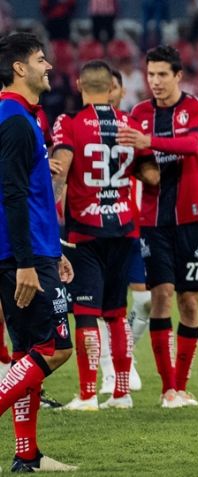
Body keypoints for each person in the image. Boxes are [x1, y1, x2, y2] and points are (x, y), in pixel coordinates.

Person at [50, 60, 159, 411]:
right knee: (115, 313)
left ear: (80, 85)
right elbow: (152, 175)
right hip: (125, 228)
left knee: (85, 311)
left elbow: (60, 171)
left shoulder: (69, 123)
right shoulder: (132, 124)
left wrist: (48, 211)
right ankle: (121, 393)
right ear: (112, 89)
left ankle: (86, 395)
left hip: (86, 230)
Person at [117, 45, 198, 408]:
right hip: (153, 221)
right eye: (150, 74)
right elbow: (132, 163)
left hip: (192, 217)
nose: (155, 81)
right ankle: (168, 389)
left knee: (190, 302)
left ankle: (183, 385)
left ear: (177, 76)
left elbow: (194, 144)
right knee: (161, 297)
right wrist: (144, 166)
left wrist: (150, 143)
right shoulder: (137, 114)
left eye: (162, 75)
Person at [0, 31, 76, 472]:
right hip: (20, 259)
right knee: (54, 347)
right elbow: (9, 194)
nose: (49, 66)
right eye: (41, 59)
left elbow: (29, 194)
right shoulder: (13, 119)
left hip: (35, 251)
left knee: (27, 349)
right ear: (19, 68)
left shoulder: (22, 116)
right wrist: (28, 262)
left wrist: (53, 249)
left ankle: (26, 455)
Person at [98, 68, 147, 397]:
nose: (116, 91)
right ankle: (110, 371)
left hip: (136, 224)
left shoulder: (133, 127)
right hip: (102, 226)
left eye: (117, 85)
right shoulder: (86, 129)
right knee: (103, 304)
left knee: (145, 300)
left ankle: (123, 352)